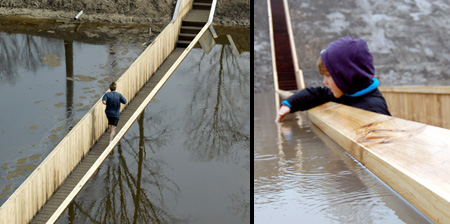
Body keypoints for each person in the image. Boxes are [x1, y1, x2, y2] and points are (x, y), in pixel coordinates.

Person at [276, 36, 391, 122]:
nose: (324, 82)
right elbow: (316, 94)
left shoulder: (374, 110)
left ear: (346, 76)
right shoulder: (346, 92)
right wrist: (289, 104)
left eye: (328, 76)